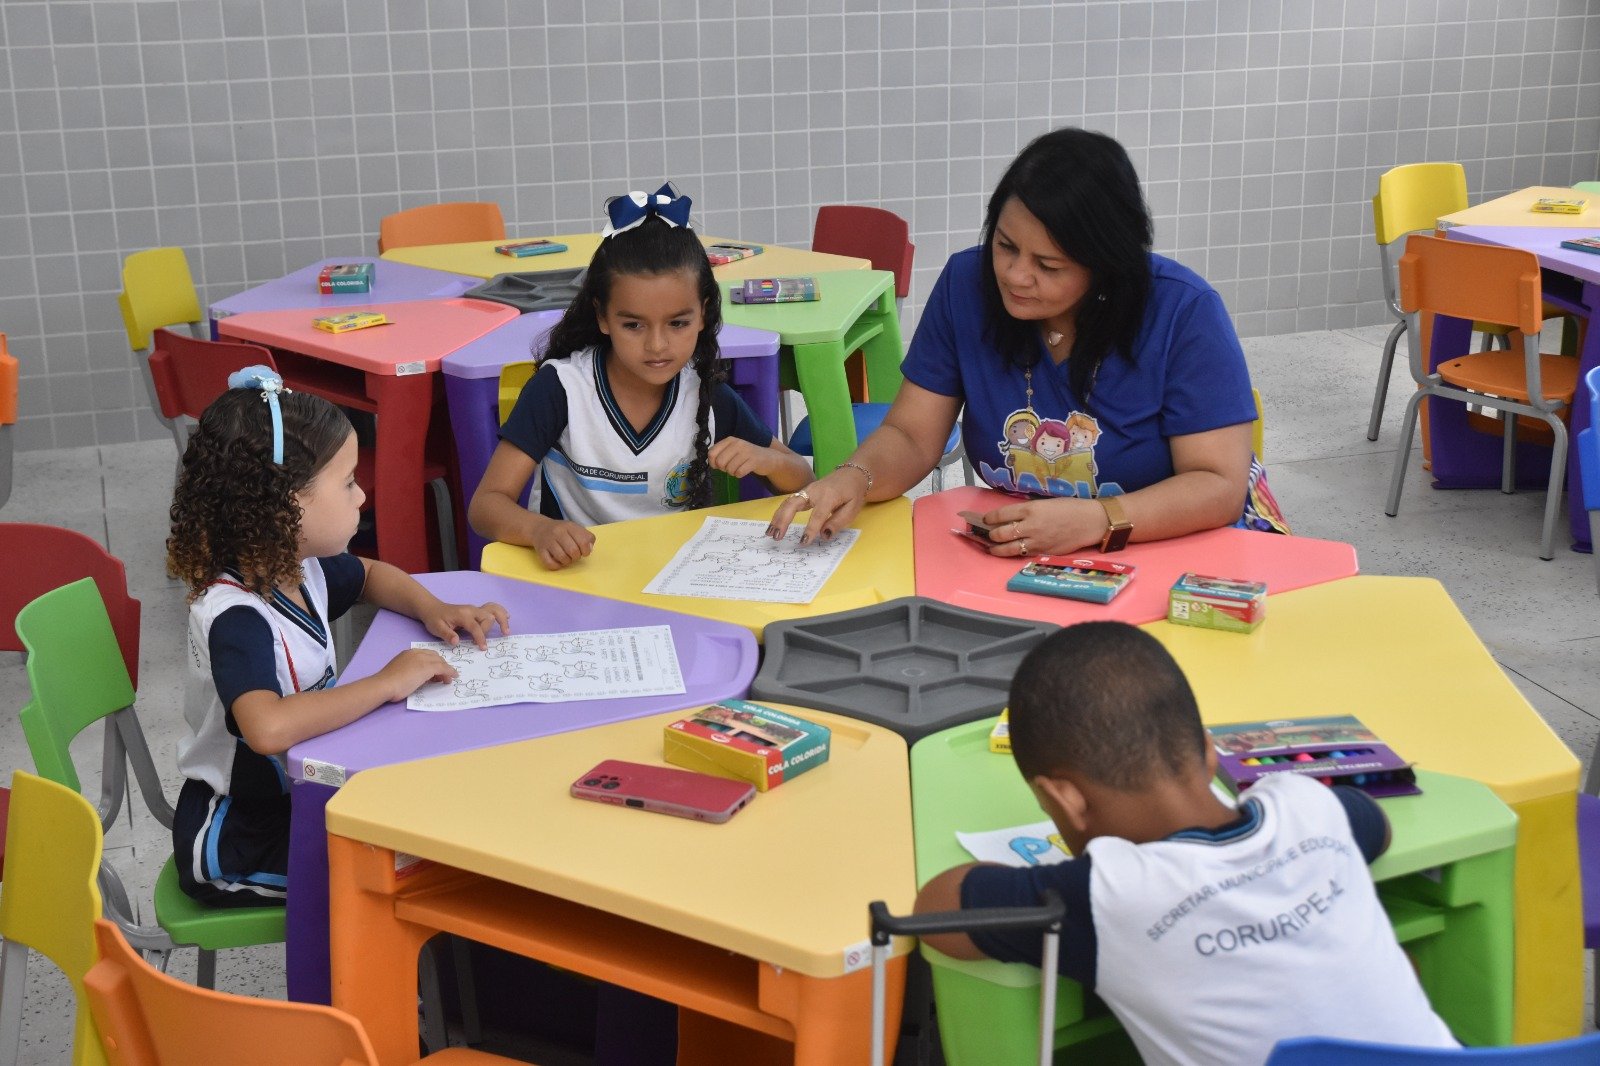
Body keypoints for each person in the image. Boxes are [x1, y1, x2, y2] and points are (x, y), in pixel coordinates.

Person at [914, 622, 1457, 1066]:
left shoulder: (1109, 895)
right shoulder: (1310, 807)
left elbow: (937, 909)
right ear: (1207, 750)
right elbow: (1374, 824)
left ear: (1065, 799)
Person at [769, 127, 1288, 551]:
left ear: (1107, 265)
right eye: (1005, 246)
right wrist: (855, 476)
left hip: (1183, 546)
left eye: (1048, 265)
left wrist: (1097, 521)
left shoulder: (1183, 311)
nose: (1016, 276)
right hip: (1035, 550)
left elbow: (1217, 484)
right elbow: (911, 435)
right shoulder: (967, 286)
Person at [166, 369, 509, 907]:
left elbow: (371, 575)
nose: (362, 494)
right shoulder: (237, 616)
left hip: (306, 794)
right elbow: (267, 728)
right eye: (348, 482)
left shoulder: (297, 565)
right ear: (284, 505)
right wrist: (386, 683)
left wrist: (434, 609)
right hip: (240, 836)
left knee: (434, 833)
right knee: (403, 875)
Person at [469, 184, 813, 570]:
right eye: (633, 325)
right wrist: (538, 530)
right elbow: (486, 506)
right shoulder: (561, 389)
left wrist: (768, 461)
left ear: (702, 314)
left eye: (678, 323)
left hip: (676, 577)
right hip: (577, 579)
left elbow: (805, 480)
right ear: (602, 316)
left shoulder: (707, 395)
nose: (657, 345)